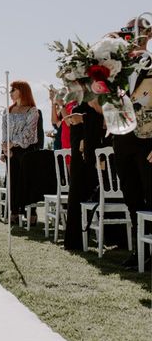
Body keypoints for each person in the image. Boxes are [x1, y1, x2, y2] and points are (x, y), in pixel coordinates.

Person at [112, 18, 152, 269]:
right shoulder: (118, 67)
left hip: (148, 137)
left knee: (150, 195)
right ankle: (140, 251)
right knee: (132, 196)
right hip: (122, 137)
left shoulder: (150, 62)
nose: (130, 35)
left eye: (134, 30)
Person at [63, 99, 108, 250]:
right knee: (76, 193)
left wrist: (84, 119)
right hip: (81, 159)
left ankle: (114, 236)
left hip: (102, 160)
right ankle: (75, 240)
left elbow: (107, 125)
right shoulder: (78, 108)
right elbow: (74, 137)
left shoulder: (106, 103)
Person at [1, 80, 39, 224]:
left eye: (13, 90)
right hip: (10, 151)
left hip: (27, 151)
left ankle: (31, 212)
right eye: (10, 91)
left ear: (22, 91)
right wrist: (4, 147)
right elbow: (4, 131)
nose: (10, 93)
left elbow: (29, 132)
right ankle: (14, 212)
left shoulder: (32, 111)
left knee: (26, 182)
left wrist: (13, 143)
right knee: (12, 182)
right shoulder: (7, 111)